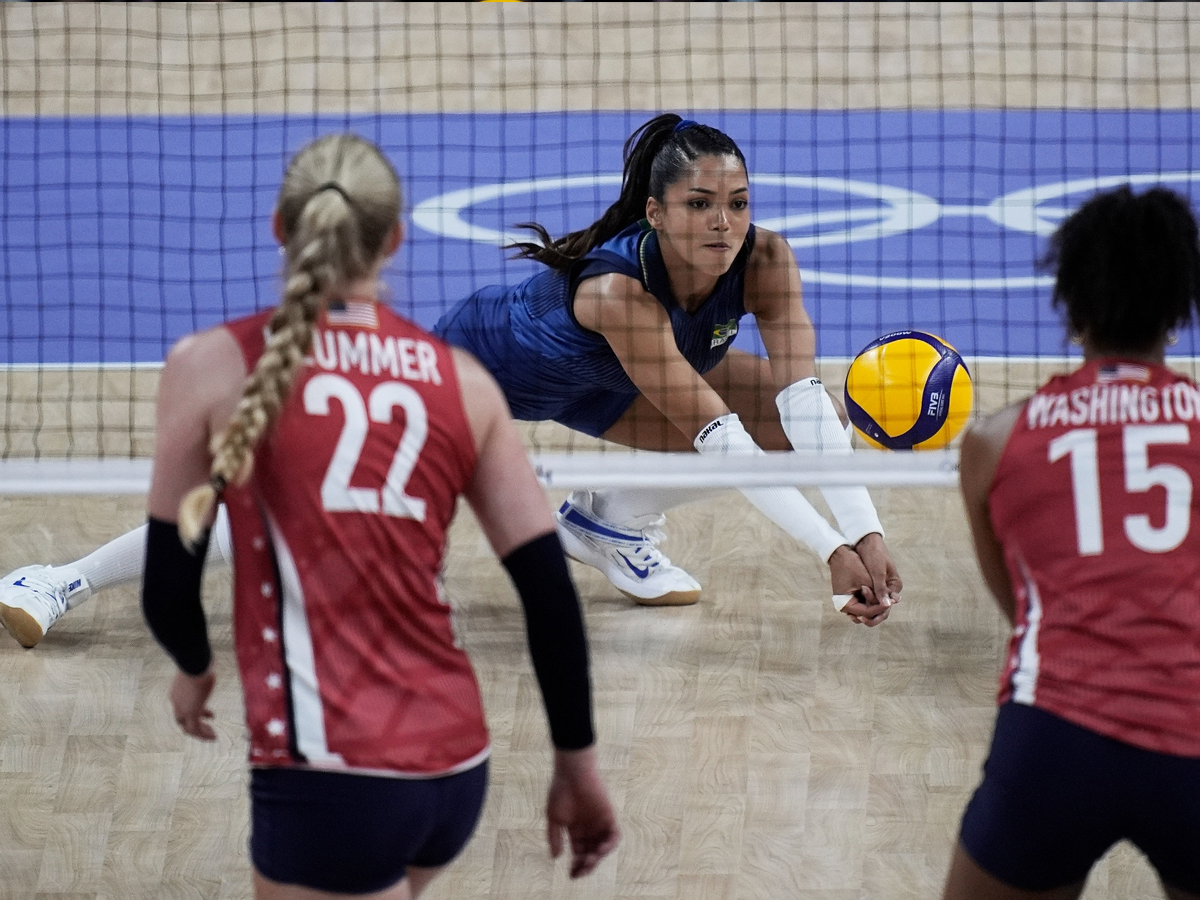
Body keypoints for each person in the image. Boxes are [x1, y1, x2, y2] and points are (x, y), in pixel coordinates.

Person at [0, 112, 900, 647]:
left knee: (789, 422)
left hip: (613, 387)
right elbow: (721, 442)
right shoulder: (620, 291)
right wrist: (828, 551)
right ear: (656, 210)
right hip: (483, 374)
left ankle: (608, 522)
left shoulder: (766, 260)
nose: (724, 222)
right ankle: (60, 579)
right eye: (700, 205)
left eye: (737, 203)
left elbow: (802, 406)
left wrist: (867, 526)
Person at [137, 133, 618, 899]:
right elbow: (549, 596)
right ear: (394, 237)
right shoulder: (459, 380)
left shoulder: (211, 365)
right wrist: (576, 764)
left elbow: (168, 587)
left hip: (333, 775)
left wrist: (194, 670)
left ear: (278, 227)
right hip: (456, 769)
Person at [944, 185, 1200, 900]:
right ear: (1180, 313)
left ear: (1071, 308)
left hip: (1056, 739)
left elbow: (1022, 602)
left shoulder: (993, 443)